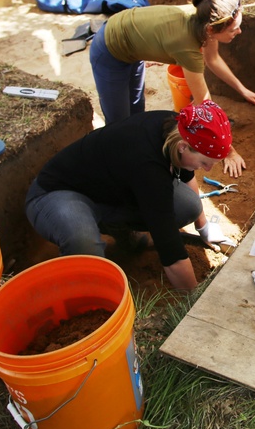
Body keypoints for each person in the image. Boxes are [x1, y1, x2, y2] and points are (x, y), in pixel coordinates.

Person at [24, 100, 237, 292]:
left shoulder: (181, 128)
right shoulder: (148, 166)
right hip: (55, 194)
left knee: (188, 205)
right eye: (204, 162)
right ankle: (92, 296)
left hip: (107, 189)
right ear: (183, 147)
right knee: (84, 243)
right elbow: (170, 251)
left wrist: (203, 228)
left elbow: (187, 175)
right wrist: (194, 296)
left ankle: (119, 230)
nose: (208, 170)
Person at [89, 0, 255, 177]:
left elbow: (213, 59)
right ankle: (115, 172)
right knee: (118, 125)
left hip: (132, 49)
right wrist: (228, 152)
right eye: (234, 28)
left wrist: (242, 89)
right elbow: (205, 105)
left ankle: (136, 156)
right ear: (211, 29)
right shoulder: (188, 45)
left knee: (136, 112)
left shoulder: (204, 19)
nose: (239, 32)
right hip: (109, 50)